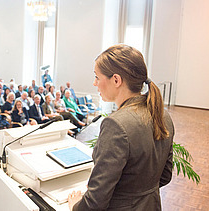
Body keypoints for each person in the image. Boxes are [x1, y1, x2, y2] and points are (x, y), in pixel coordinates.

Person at [68, 45, 175, 210]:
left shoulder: (117, 125)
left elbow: (95, 202)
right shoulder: (162, 114)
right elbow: (165, 176)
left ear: (116, 80)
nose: (94, 83)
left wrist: (75, 205)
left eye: (97, 77)